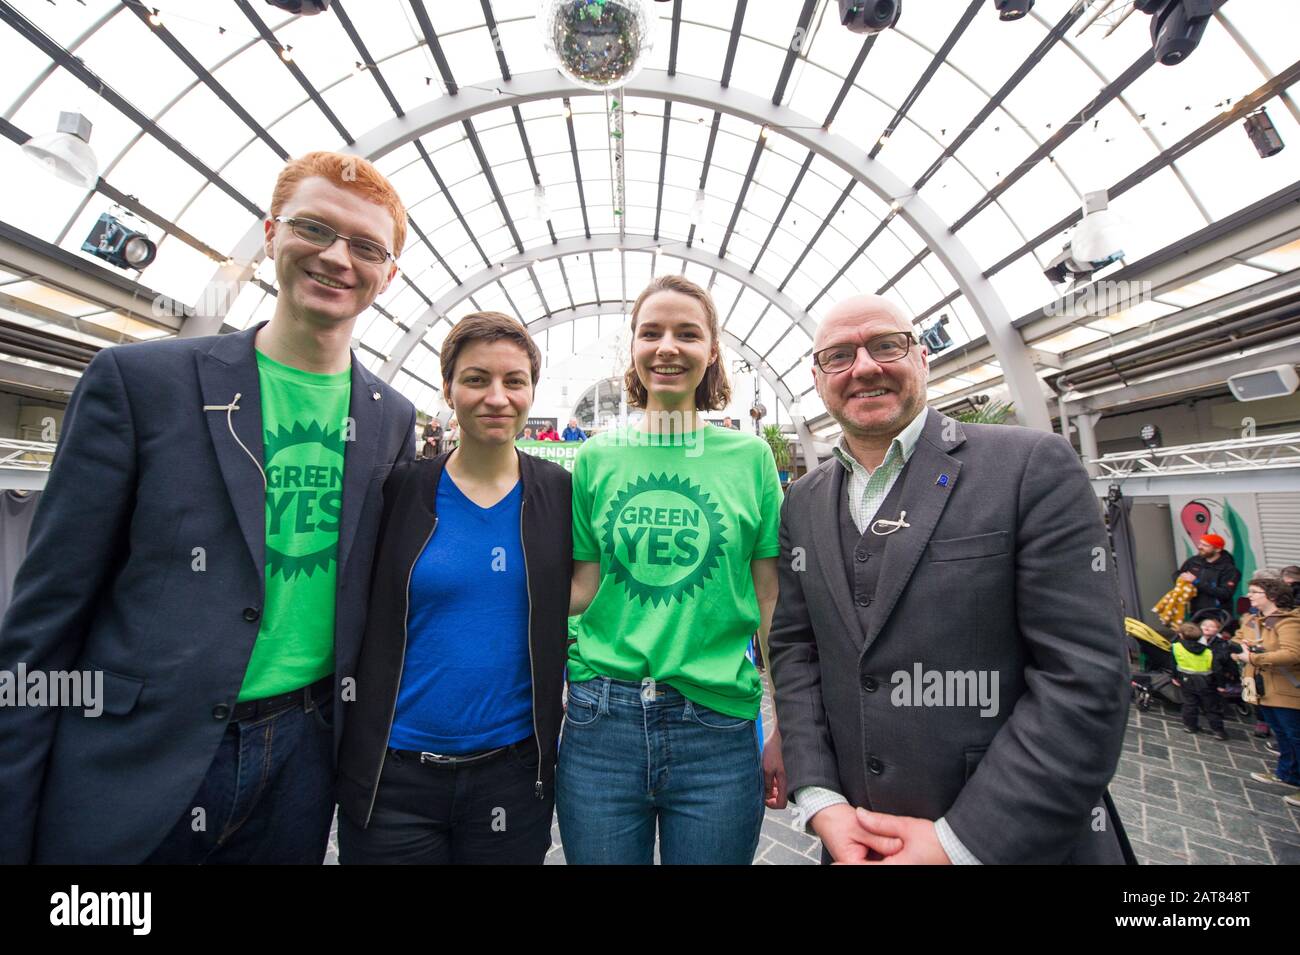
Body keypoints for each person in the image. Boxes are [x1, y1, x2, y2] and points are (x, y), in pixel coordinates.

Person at [0, 151, 416, 864]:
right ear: (272, 232)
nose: (338, 257)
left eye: (367, 246)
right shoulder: (141, 383)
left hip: (303, 758)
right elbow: (45, 618)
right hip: (141, 754)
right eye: (314, 228)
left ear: (389, 272)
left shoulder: (391, 416)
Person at [768, 294, 1132, 865]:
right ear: (818, 379)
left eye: (886, 345)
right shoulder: (804, 503)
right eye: (838, 356)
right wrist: (819, 797)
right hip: (857, 842)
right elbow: (796, 649)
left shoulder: (1030, 466)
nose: (864, 367)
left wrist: (956, 845)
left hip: (1016, 847)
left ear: (923, 359)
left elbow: (1084, 676)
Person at [561, 274, 785, 865]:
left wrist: (785, 720)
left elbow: (770, 597)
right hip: (600, 723)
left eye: (688, 334)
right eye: (650, 332)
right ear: (632, 348)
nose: (668, 347)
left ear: (712, 351)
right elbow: (583, 585)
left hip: (716, 725)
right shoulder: (595, 457)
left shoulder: (751, 458)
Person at [337, 313, 572, 863]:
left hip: (512, 779)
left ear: (532, 391)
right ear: (447, 390)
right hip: (395, 777)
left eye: (514, 381)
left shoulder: (560, 494)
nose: (497, 397)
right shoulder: (400, 492)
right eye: (475, 379)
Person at [1231, 576, 1300, 807]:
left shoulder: (1289, 622)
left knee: (1296, 736)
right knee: (1281, 733)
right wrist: (1238, 649)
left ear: (1271, 596)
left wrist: (1253, 656)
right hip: (1262, 687)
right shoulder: (1252, 620)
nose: (1249, 596)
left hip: (1286, 688)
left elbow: (1293, 654)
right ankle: (1287, 774)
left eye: (1254, 592)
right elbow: (1237, 639)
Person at [1170, 623, 1228, 740]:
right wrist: (1221, 685)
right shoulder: (1208, 652)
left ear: (1180, 635)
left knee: (1189, 704)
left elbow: (1173, 664)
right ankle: (1218, 731)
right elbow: (1217, 669)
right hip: (1206, 682)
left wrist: (1174, 677)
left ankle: (1190, 726)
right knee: (1211, 707)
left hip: (1186, 680)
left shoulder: (1176, 647)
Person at [1175, 534, 1241, 620]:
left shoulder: (1229, 569)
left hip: (1217, 615)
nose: (1200, 547)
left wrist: (1196, 582)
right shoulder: (1194, 561)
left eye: (1205, 545)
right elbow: (1178, 574)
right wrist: (1181, 579)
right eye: (1200, 543)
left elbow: (1225, 593)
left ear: (1217, 549)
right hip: (1194, 612)